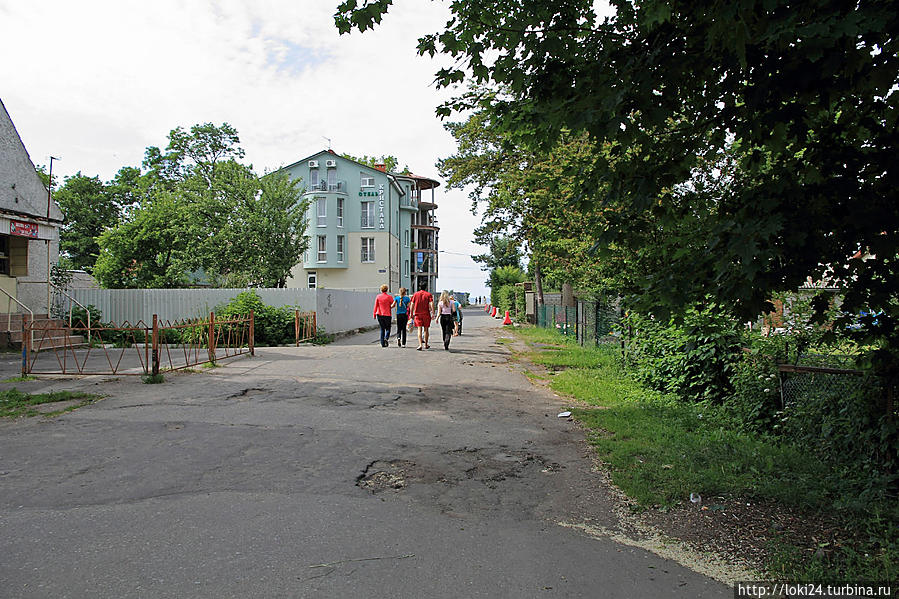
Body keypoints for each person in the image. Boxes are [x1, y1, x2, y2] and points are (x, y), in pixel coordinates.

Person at [409, 281, 435, 351]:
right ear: (426, 287)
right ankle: (426, 344)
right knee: (426, 330)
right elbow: (431, 303)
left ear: (419, 287)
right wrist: (433, 313)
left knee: (419, 329)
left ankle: (420, 344)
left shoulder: (415, 294)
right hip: (426, 314)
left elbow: (412, 304)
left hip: (417, 314)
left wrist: (411, 313)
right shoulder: (428, 294)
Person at [372, 284, 393, 348]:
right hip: (387, 315)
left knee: (382, 329)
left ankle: (382, 343)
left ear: (381, 290)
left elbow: (376, 306)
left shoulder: (378, 297)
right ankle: (386, 338)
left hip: (379, 314)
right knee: (388, 328)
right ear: (387, 290)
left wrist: (374, 314)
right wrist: (389, 307)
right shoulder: (389, 297)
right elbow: (393, 304)